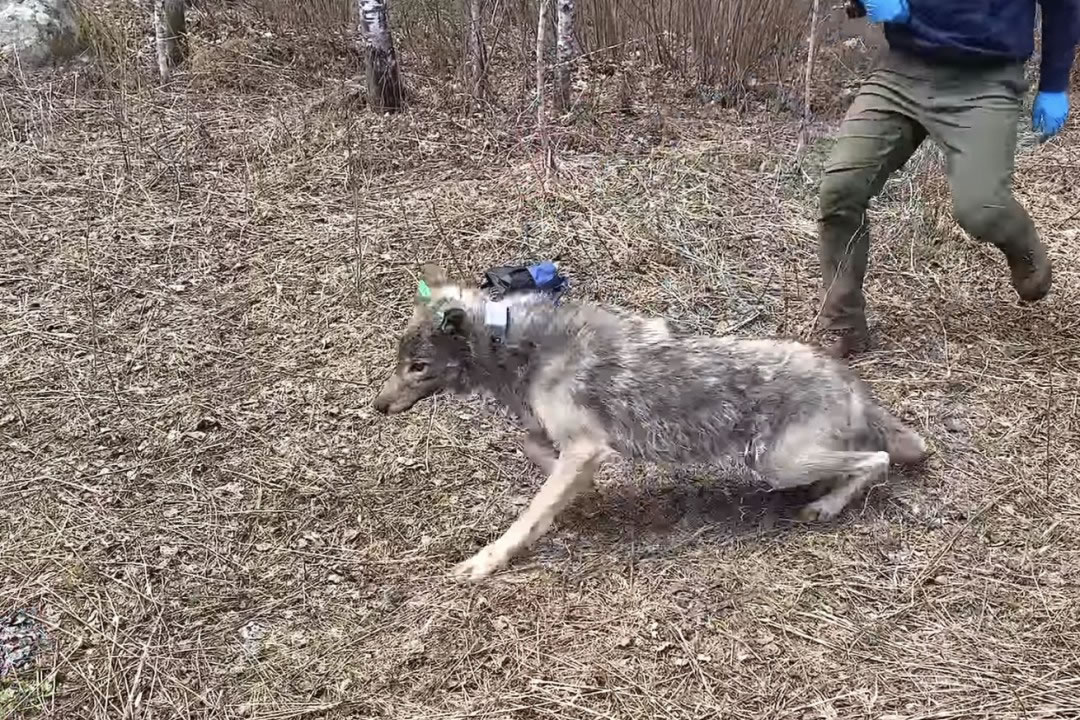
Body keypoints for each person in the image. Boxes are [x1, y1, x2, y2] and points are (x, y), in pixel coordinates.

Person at [814, 0, 1080, 358]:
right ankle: (842, 326)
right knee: (841, 188)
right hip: (901, 71)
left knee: (981, 208)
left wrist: (1054, 83)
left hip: (985, 79)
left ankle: (1026, 252)